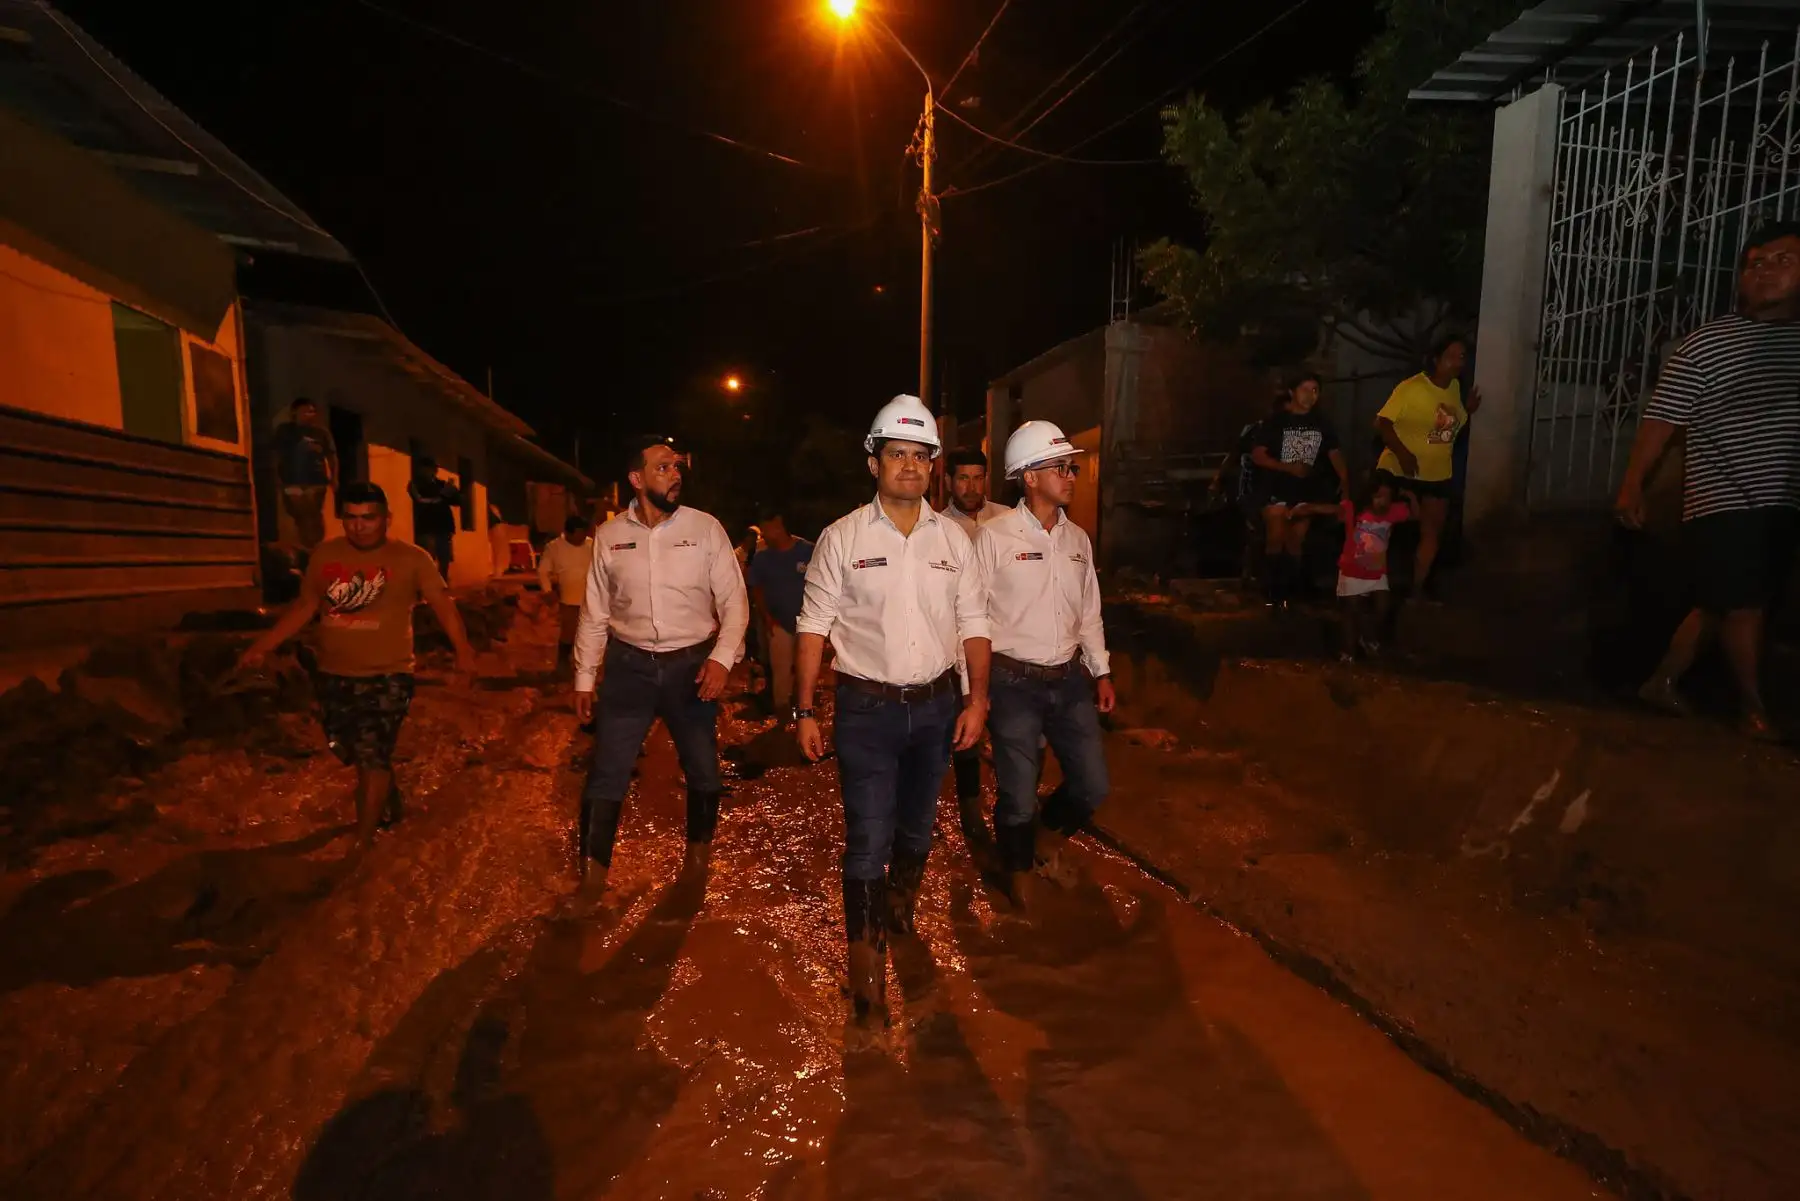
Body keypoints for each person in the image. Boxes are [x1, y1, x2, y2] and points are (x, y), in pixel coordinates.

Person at [794, 394, 990, 1025]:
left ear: (933, 466)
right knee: (865, 840)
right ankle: (868, 991)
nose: (910, 465)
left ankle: (900, 903)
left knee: (917, 828)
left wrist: (977, 699)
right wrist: (804, 710)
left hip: (936, 709)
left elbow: (974, 623)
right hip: (866, 711)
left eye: (920, 456)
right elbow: (812, 627)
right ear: (873, 463)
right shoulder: (842, 538)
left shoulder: (954, 541)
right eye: (897, 454)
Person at [1617, 222, 1800, 740]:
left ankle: (1662, 682)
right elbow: (1662, 419)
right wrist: (1633, 484)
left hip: (1782, 501)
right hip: (1724, 500)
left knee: (1723, 604)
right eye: (1755, 263)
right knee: (1744, 605)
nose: (1765, 272)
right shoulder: (1708, 344)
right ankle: (1754, 710)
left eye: (1783, 261)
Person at [237, 483, 477, 850]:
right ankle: (387, 796)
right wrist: (262, 646)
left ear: (386, 519)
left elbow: (443, 606)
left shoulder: (412, 559)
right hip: (334, 674)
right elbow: (306, 606)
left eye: (368, 518)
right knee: (349, 748)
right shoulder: (325, 554)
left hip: (389, 675)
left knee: (371, 755)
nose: (359, 526)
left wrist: (463, 651)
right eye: (351, 518)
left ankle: (362, 839)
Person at [572, 436, 748, 910]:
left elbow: (734, 602)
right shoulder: (610, 536)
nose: (675, 475)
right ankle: (592, 879)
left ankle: (697, 861)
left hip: (691, 668)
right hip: (628, 668)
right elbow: (594, 612)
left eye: (677, 467)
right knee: (607, 772)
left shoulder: (705, 529)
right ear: (636, 478)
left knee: (703, 768)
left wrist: (721, 658)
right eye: (664, 468)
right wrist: (585, 677)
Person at [969, 421, 1115, 910]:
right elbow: (971, 617)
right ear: (1029, 477)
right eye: (1060, 467)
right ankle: (1017, 872)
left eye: (1071, 467)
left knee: (1093, 784)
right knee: (1017, 790)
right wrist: (975, 692)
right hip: (1012, 682)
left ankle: (1043, 840)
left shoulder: (1078, 540)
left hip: (1068, 679)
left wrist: (1101, 670)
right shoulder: (994, 538)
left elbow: (1088, 612)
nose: (1071, 475)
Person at [940, 447, 1011, 849]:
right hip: (961, 649)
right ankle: (970, 808)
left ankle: (1013, 808)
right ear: (949, 481)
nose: (971, 487)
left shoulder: (1007, 521)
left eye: (978, 477)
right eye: (963, 478)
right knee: (967, 729)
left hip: (1009, 647)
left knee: (1014, 731)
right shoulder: (938, 529)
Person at [1375, 336, 1482, 601]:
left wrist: (1467, 411)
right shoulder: (1412, 387)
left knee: (1432, 531)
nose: (1457, 362)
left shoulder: (1455, 388)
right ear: (1436, 359)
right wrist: (1403, 453)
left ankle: (1417, 590)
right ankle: (1372, 588)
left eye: (1461, 356)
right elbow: (1382, 423)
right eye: (1451, 356)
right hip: (1399, 468)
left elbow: (1445, 431)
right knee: (1380, 529)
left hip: (1436, 472)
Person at [1251, 373, 1349, 607]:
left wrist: (1345, 484)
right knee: (1276, 536)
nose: (1310, 395)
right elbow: (1258, 455)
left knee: (1296, 540)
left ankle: (1290, 591)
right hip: (1276, 488)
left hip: (1305, 491)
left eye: (1315, 390)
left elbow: (1335, 454)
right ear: (1292, 392)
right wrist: (1287, 467)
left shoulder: (1322, 423)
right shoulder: (1276, 422)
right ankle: (1272, 591)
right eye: (1305, 389)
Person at [1335, 475, 1417, 661]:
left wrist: (1411, 497)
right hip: (1352, 571)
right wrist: (1306, 508)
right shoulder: (1354, 510)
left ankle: (1366, 638)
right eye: (1379, 496)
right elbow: (1332, 510)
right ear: (1369, 496)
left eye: (1387, 497)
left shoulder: (1394, 511)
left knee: (1382, 608)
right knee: (1351, 611)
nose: (1383, 502)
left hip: (1377, 572)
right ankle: (1348, 652)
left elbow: (1415, 515)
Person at [746, 508, 813, 716]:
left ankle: (803, 710)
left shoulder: (808, 551)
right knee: (781, 671)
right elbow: (756, 588)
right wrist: (767, 618)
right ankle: (783, 714)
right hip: (778, 624)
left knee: (805, 669)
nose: (763, 535)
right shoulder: (762, 558)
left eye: (765, 529)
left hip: (808, 624)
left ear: (778, 525)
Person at [272, 398, 338, 550]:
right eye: (306, 411)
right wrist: (275, 476)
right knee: (296, 514)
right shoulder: (284, 431)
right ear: (294, 412)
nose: (310, 415)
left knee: (313, 515)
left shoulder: (321, 433)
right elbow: (276, 455)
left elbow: (332, 456)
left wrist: (334, 478)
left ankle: (314, 547)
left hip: (316, 482)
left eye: (312, 411)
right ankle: (299, 548)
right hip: (291, 481)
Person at [537, 515, 594, 677]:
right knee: (569, 633)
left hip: (592, 598)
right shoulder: (554, 547)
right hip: (569, 599)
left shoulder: (592, 545)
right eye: (578, 535)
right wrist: (547, 591)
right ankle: (563, 664)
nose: (581, 538)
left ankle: (587, 668)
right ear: (568, 533)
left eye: (583, 534)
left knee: (590, 635)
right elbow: (543, 571)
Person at [407, 457, 462, 581]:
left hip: (444, 526)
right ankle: (428, 587)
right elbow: (420, 501)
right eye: (430, 468)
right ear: (422, 469)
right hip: (427, 527)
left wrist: (454, 492)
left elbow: (457, 501)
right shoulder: (415, 485)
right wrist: (443, 495)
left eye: (434, 468)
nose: (433, 471)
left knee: (444, 560)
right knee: (428, 559)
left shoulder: (441, 484)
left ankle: (442, 586)